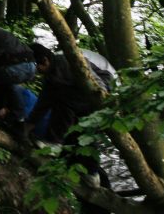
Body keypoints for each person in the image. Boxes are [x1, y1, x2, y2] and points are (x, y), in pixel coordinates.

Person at [26, 42, 116, 212]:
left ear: (45, 60)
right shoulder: (52, 77)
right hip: (83, 99)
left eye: (37, 67)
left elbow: (98, 86)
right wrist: (28, 126)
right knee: (73, 141)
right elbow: (42, 104)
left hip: (102, 88)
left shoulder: (68, 63)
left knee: (84, 135)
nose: (37, 72)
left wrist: (100, 107)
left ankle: (92, 174)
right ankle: (63, 151)